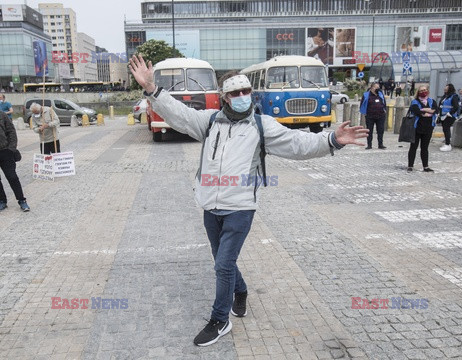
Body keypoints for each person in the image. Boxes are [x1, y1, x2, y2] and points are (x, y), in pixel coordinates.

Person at [129, 55, 369, 347]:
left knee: (223, 265)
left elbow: (298, 143)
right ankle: (240, 291)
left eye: (246, 91)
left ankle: (220, 319)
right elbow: (178, 114)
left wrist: (331, 140)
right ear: (225, 98)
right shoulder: (209, 123)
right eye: (235, 93)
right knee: (222, 262)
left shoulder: (262, 125)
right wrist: (153, 90)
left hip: (240, 207)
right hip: (210, 205)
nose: (242, 96)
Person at [0, 112, 30, 212]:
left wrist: (11, 148)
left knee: (12, 177)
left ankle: (22, 200)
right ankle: (2, 201)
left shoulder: (2, 115)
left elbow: (11, 131)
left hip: (5, 151)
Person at [407, 85, 437, 172]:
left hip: (428, 127)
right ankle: (410, 166)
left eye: (425, 90)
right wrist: (429, 111)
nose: (423, 92)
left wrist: (424, 110)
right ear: (418, 92)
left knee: (425, 148)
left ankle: (426, 166)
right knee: (413, 147)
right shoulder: (415, 102)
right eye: (421, 90)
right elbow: (417, 111)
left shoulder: (432, 101)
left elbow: (436, 110)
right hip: (417, 127)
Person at [360, 82, 387, 150]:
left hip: (380, 115)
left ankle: (380, 144)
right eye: (376, 87)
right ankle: (369, 145)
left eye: (378, 88)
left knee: (380, 130)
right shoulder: (366, 95)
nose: (377, 89)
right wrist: (364, 112)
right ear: (372, 88)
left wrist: (384, 110)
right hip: (370, 116)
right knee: (369, 130)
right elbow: (362, 104)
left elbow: (384, 103)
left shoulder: (380, 94)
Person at [437, 84, 460, 152]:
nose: (445, 89)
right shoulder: (445, 96)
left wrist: (450, 113)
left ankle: (448, 144)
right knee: (445, 129)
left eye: (446, 88)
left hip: (449, 116)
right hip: (443, 115)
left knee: (446, 129)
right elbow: (441, 105)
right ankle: (447, 142)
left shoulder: (454, 96)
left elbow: (456, 106)